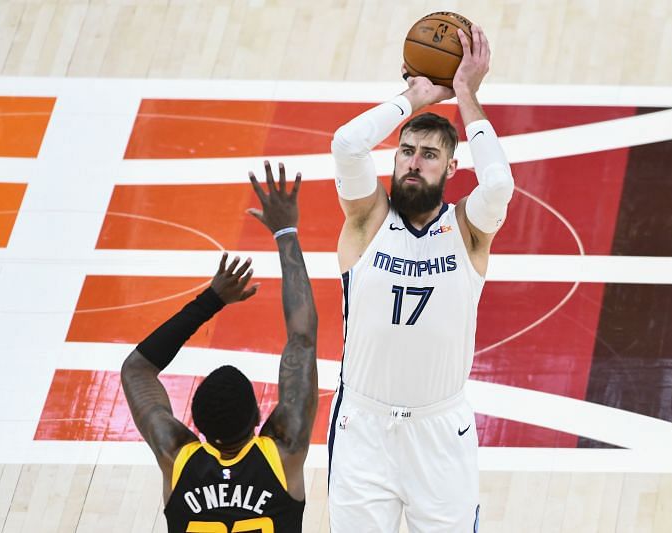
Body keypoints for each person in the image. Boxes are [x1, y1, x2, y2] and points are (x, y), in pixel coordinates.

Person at [327, 24, 513, 532]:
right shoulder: (367, 221)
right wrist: (412, 97)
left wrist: (467, 97)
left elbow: (498, 183)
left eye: (429, 156)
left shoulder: (467, 231)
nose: (414, 162)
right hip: (362, 428)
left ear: (452, 167)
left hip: (440, 433)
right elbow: (346, 145)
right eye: (407, 151)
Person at [121, 162, 317, 533]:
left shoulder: (176, 457)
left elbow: (136, 369)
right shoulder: (283, 450)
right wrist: (285, 231)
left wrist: (210, 300)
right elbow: (302, 341)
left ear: (195, 427)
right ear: (261, 421)